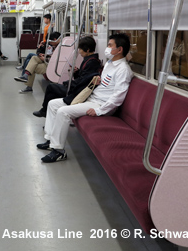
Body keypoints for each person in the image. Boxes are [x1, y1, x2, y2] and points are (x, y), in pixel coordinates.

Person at [37, 33, 133, 163]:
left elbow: (118, 96)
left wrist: (100, 111)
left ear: (119, 49)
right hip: (92, 98)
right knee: (53, 104)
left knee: (63, 112)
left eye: (110, 45)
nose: (107, 48)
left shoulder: (123, 70)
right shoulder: (110, 64)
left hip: (100, 104)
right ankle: (50, 140)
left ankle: (58, 150)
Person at [33, 36, 102, 117]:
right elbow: (84, 77)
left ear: (87, 50)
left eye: (80, 49)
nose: (79, 52)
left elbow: (83, 81)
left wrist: (67, 84)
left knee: (50, 87)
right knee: (52, 94)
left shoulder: (92, 62)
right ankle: (47, 114)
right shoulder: (89, 60)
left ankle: (44, 111)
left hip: (77, 90)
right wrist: (77, 72)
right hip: (78, 87)